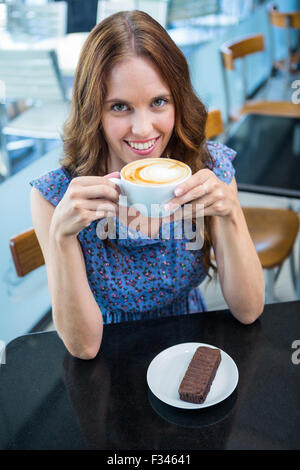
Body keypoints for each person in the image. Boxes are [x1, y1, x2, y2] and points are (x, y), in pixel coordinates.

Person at [30, 11, 264, 360]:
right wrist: (62, 239)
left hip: (191, 341)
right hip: (109, 359)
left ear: (178, 101)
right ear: (94, 111)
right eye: (120, 107)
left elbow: (249, 310)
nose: (143, 129)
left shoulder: (206, 170)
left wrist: (229, 213)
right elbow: (84, 347)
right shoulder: (58, 196)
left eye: (158, 102)